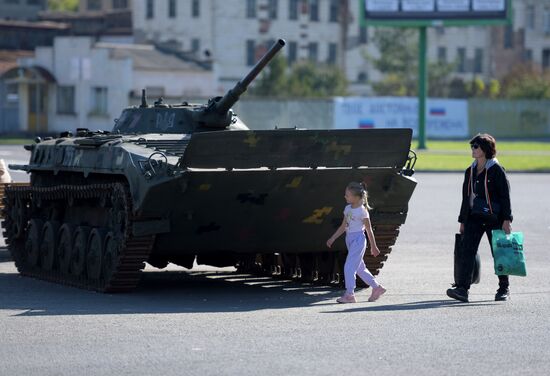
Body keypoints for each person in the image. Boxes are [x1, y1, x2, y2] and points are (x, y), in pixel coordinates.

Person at [447, 133, 513, 303]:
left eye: (476, 146)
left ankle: (503, 288)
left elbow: (505, 196)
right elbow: (466, 197)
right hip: (474, 217)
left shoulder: (497, 170)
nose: (473, 149)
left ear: (485, 149)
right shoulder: (470, 171)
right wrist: (463, 220)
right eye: (472, 146)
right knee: (466, 252)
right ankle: (462, 289)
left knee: (499, 253)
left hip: (494, 218)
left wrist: (507, 220)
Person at [327, 181, 386, 303]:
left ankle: (350, 294)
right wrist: (333, 238)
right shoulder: (347, 208)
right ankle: (377, 288)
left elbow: (369, 230)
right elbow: (344, 226)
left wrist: (374, 247)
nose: (345, 197)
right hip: (350, 239)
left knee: (349, 267)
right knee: (359, 268)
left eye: (347, 195)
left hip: (359, 240)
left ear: (356, 197)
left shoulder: (362, 211)